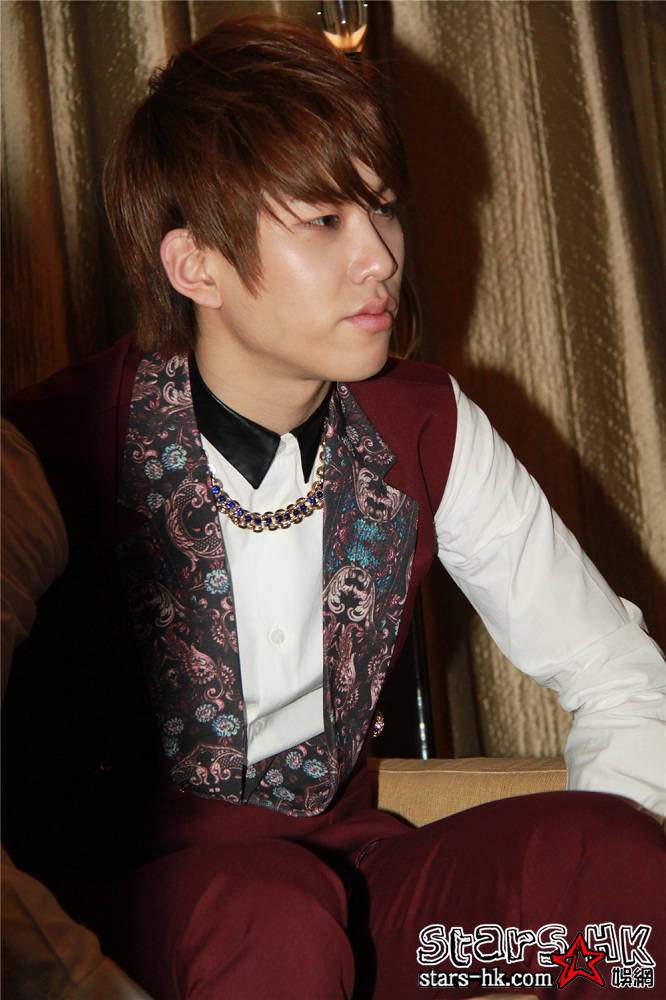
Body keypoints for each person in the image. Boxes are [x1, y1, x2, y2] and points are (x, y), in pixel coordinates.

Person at [2, 14, 665, 1000]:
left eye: (383, 209)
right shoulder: (45, 451)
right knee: (271, 916)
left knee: (604, 864)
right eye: (323, 221)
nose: (380, 259)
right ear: (195, 266)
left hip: (371, 921)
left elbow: (619, 677)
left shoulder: (426, 422)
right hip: (129, 937)